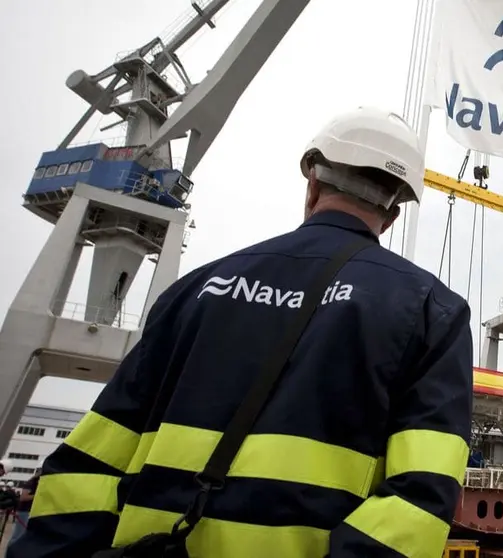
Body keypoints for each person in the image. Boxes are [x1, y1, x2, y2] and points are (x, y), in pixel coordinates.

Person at [11, 107, 475, 558]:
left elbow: (90, 464)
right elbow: (419, 501)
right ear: (392, 216)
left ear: (312, 185)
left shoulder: (194, 290)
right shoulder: (433, 311)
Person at [6, 473, 39, 555]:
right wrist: (38, 495)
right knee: (18, 535)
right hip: (24, 512)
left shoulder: (38, 483)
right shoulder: (31, 483)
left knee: (22, 535)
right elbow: (23, 497)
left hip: (29, 512)